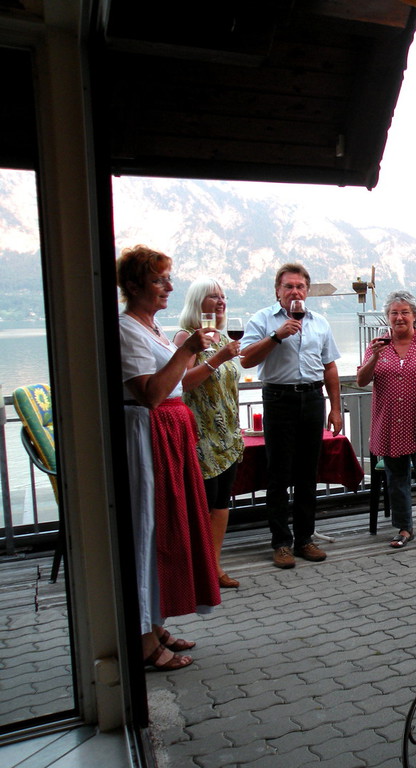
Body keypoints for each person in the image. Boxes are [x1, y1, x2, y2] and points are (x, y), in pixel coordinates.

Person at [117, 244, 220, 671]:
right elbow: (151, 393)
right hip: (147, 437)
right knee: (148, 530)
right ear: (134, 285)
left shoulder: (152, 327)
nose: (169, 287)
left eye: (168, 278)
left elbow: (178, 384)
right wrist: (187, 349)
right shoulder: (126, 329)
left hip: (169, 434)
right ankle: (142, 640)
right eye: (159, 280)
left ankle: (155, 624)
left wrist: (203, 356)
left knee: (166, 527)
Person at [240, 263, 342, 569]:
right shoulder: (262, 319)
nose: (295, 292)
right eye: (289, 286)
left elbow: (330, 367)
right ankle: (281, 543)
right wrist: (276, 336)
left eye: (300, 286)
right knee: (279, 474)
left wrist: (336, 408)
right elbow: (245, 359)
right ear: (278, 291)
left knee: (308, 473)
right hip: (278, 399)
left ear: (307, 291)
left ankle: (305, 539)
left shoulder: (320, 322)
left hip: (312, 398)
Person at [356, 291, 416, 553]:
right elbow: (361, 381)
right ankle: (404, 529)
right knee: (396, 479)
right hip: (389, 425)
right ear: (387, 317)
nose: (399, 317)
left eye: (404, 312)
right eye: (394, 313)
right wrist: (374, 357)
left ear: (414, 315)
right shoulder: (377, 345)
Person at [175, 278, 245, 589]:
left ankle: (214, 567)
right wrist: (219, 359)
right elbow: (183, 383)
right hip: (201, 436)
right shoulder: (187, 338)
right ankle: (195, 571)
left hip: (227, 436)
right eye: (213, 296)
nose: (220, 301)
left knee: (220, 505)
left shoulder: (222, 338)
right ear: (197, 302)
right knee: (202, 506)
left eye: (223, 296)